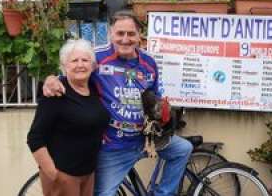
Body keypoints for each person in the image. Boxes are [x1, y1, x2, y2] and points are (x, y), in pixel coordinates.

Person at [43, 11, 193, 196]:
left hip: (147, 140)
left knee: (183, 149)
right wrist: (51, 80)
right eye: (120, 33)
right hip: (114, 145)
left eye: (131, 34)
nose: (125, 39)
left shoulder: (149, 63)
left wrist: (161, 114)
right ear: (110, 34)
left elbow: (155, 95)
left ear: (139, 35)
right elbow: (70, 75)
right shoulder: (96, 58)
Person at [27, 39, 110, 196]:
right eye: (74, 61)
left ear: (92, 66)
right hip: (64, 175)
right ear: (64, 66)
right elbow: (35, 138)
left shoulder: (93, 89)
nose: (80, 65)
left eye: (85, 60)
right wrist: (54, 174)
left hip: (88, 173)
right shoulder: (55, 93)